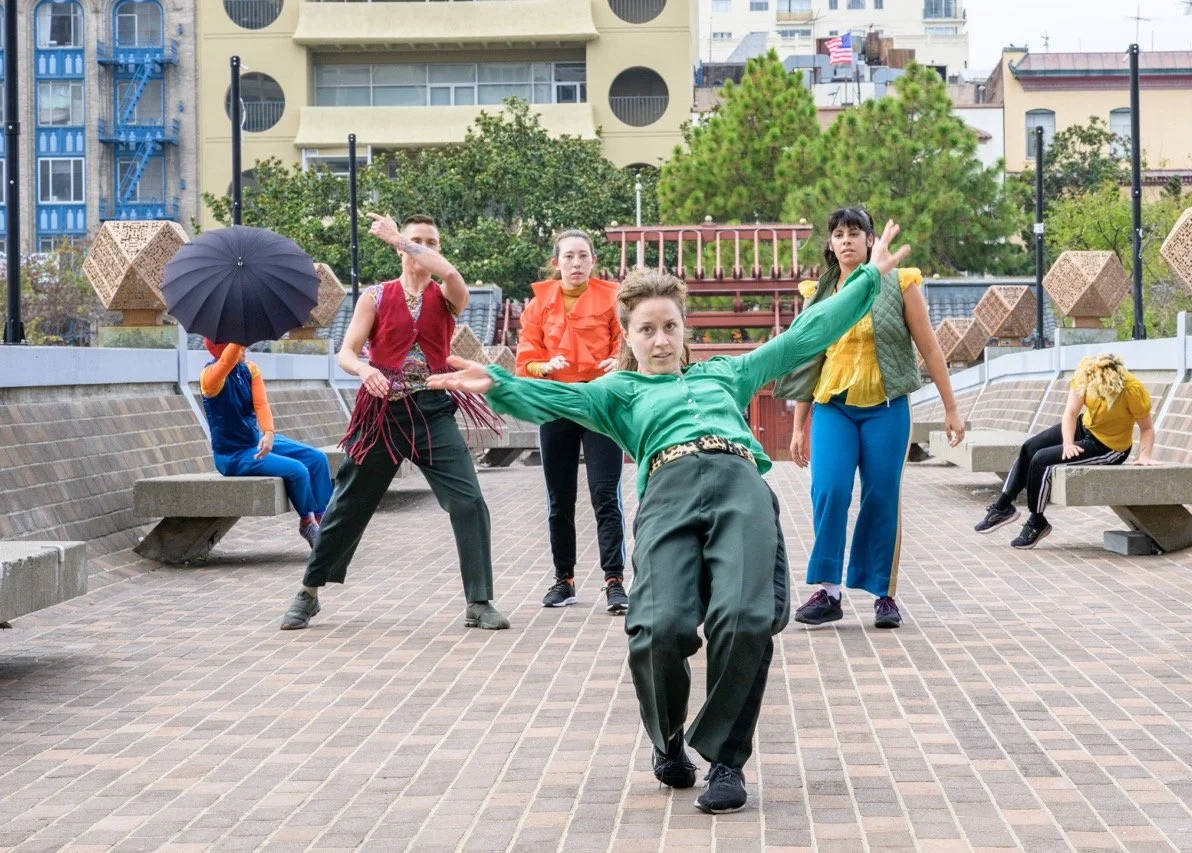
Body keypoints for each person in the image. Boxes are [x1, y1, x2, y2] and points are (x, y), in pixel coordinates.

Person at [428, 221, 912, 815]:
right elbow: (554, 398)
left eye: (670, 328)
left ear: (685, 332)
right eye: (646, 330)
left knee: (745, 616)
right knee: (657, 627)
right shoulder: (617, 392)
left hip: (738, 482)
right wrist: (497, 384)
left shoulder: (725, 374)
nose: (660, 341)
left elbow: (805, 336)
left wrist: (866, 279)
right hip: (668, 488)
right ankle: (669, 740)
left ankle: (727, 760)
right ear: (628, 336)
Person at [279, 213, 509, 632]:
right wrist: (365, 369)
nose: (424, 247)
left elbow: (451, 273)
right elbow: (346, 353)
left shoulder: (449, 295)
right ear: (400, 248)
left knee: (469, 502)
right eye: (416, 239)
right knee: (348, 503)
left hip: (432, 412)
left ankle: (479, 601)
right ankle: (308, 592)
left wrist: (400, 239)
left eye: (431, 242)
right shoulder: (375, 296)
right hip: (381, 414)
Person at [779, 206, 964, 630]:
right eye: (838, 234)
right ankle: (829, 591)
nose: (846, 240)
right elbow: (808, 360)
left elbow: (930, 347)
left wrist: (951, 408)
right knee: (830, 489)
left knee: (881, 495)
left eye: (854, 233)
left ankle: (884, 594)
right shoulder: (819, 293)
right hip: (833, 407)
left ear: (869, 240)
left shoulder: (900, 283)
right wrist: (797, 427)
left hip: (886, 408)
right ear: (830, 244)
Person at [516, 229, 629, 613]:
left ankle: (614, 580)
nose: (576, 263)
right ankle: (563, 579)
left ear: (593, 261)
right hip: (556, 404)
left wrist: (619, 361)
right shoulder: (538, 306)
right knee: (559, 498)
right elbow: (526, 358)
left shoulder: (614, 300)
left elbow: (626, 342)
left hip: (599, 404)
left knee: (605, 494)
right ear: (556, 262)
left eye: (583, 256)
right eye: (569, 256)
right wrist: (544, 365)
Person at [975, 353, 1156, 548]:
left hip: (1109, 446)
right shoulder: (1085, 374)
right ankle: (1002, 507)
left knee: (1041, 460)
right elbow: (1070, 413)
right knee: (1030, 447)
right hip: (1085, 427)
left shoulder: (1131, 389)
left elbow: (1146, 428)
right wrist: (1068, 443)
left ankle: (1037, 522)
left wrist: (1144, 455)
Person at [200, 339, 333, 547]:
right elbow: (225, 362)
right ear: (224, 348)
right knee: (298, 470)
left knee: (317, 459)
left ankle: (324, 520)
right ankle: (307, 523)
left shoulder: (250, 369)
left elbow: (261, 404)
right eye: (239, 345)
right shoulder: (210, 378)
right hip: (233, 455)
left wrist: (269, 433)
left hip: (255, 440)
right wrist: (238, 336)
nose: (245, 347)